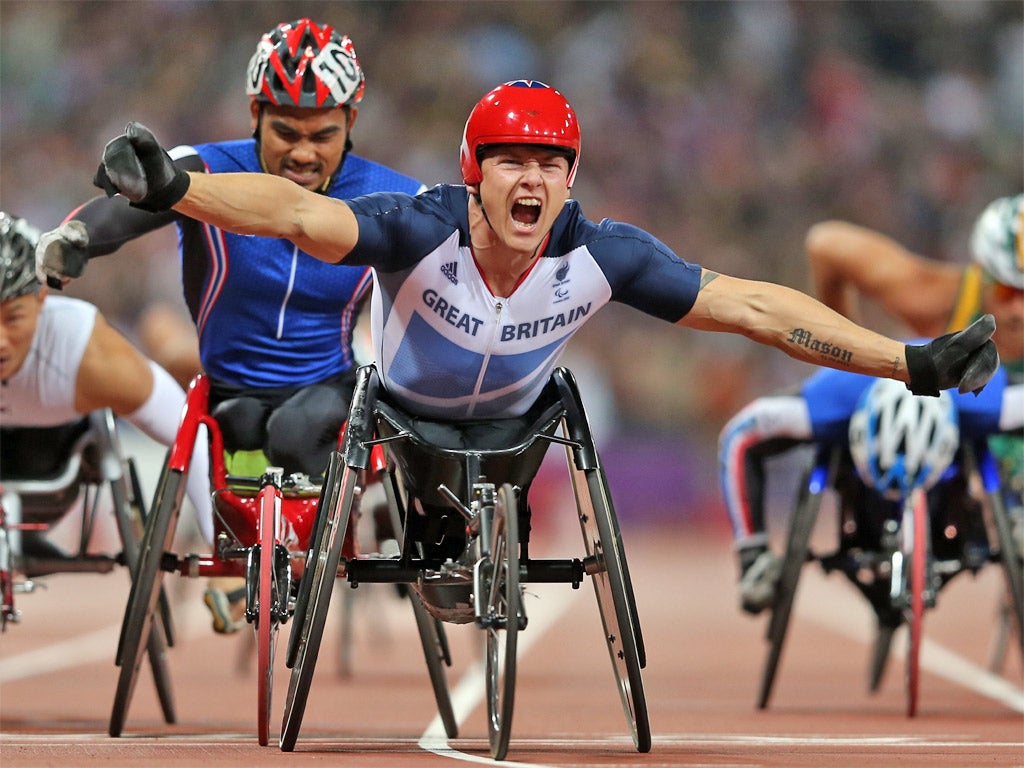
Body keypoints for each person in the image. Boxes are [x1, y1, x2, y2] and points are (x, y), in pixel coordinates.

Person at [60, 80, 999, 476]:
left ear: (571, 178)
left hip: (521, 431)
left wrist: (909, 363)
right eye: (510, 162)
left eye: (550, 166)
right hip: (403, 423)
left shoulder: (604, 254)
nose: (531, 180)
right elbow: (298, 214)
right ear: (475, 170)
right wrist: (181, 188)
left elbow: (754, 305)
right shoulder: (417, 225)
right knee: (312, 426)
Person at [36, 19, 425, 633]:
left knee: (297, 430)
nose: (303, 152)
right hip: (226, 392)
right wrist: (76, 237)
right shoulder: (207, 169)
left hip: (327, 389)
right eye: (285, 132)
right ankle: (247, 547)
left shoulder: (394, 193)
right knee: (241, 423)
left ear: (352, 120)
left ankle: (346, 532)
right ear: (254, 113)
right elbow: (134, 202)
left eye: (323, 134)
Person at [720, 198, 1024, 612]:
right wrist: (844, 349)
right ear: (983, 275)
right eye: (1008, 290)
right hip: (950, 406)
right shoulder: (933, 295)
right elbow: (825, 243)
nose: (1020, 309)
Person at [0, 212, 214, 547]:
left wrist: (226, 546)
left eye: (13, 318)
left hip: (50, 459)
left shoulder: (83, 348)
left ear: (42, 301)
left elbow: (189, 435)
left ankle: (24, 541)